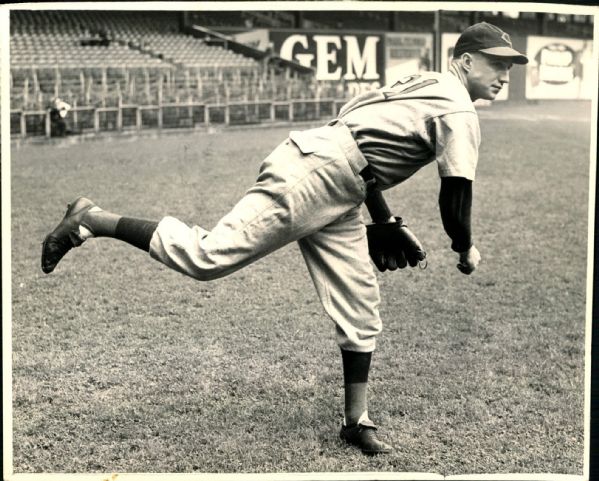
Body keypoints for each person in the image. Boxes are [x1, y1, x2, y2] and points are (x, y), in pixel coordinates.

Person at [41, 22, 528, 455]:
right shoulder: (459, 106)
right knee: (208, 255)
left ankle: (355, 421)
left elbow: (355, 127)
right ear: (466, 61)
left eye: (511, 64)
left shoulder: (424, 80)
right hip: (318, 175)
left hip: (337, 180)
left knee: (360, 303)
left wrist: (379, 217)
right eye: (497, 63)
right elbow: (456, 194)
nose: (506, 73)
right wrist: (463, 248)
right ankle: (93, 219)